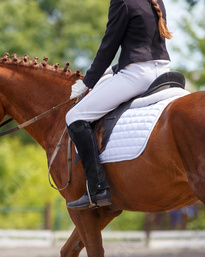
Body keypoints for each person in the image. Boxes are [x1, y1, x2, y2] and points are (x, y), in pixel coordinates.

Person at [65, 0, 172, 210]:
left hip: (138, 74)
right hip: (163, 69)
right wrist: (114, 70)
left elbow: (108, 45)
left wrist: (87, 82)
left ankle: (97, 189)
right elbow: (139, 43)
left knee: (75, 117)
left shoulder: (122, 1)